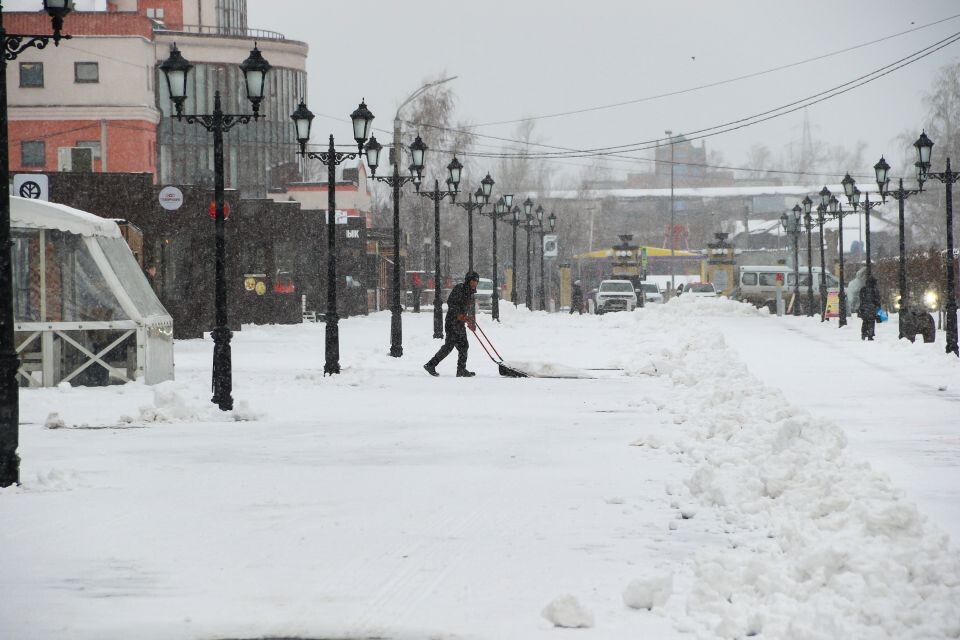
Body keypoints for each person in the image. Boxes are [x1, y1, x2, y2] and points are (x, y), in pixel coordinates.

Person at [424, 271, 478, 377]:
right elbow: (451, 303)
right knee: (450, 346)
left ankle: (460, 370)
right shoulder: (460, 288)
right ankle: (431, 365)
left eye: (476, 281)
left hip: (460, 323)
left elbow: (470, 309)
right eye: (473, 280)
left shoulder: (471, 293)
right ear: (468, 280)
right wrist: (459, 315)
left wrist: (472, 322)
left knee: (463, 346)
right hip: (452, 322)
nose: (475, 283)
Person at [858, 275, 880, 341]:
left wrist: (862, 307)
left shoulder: (863, 289)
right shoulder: (874, 290)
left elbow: (861, 298)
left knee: (865, 321)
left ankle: (863, 334)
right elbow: (877, 300)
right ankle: (870, 335)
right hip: (872, 308)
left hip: (864, 308)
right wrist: (878, 308)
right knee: (871, 322)